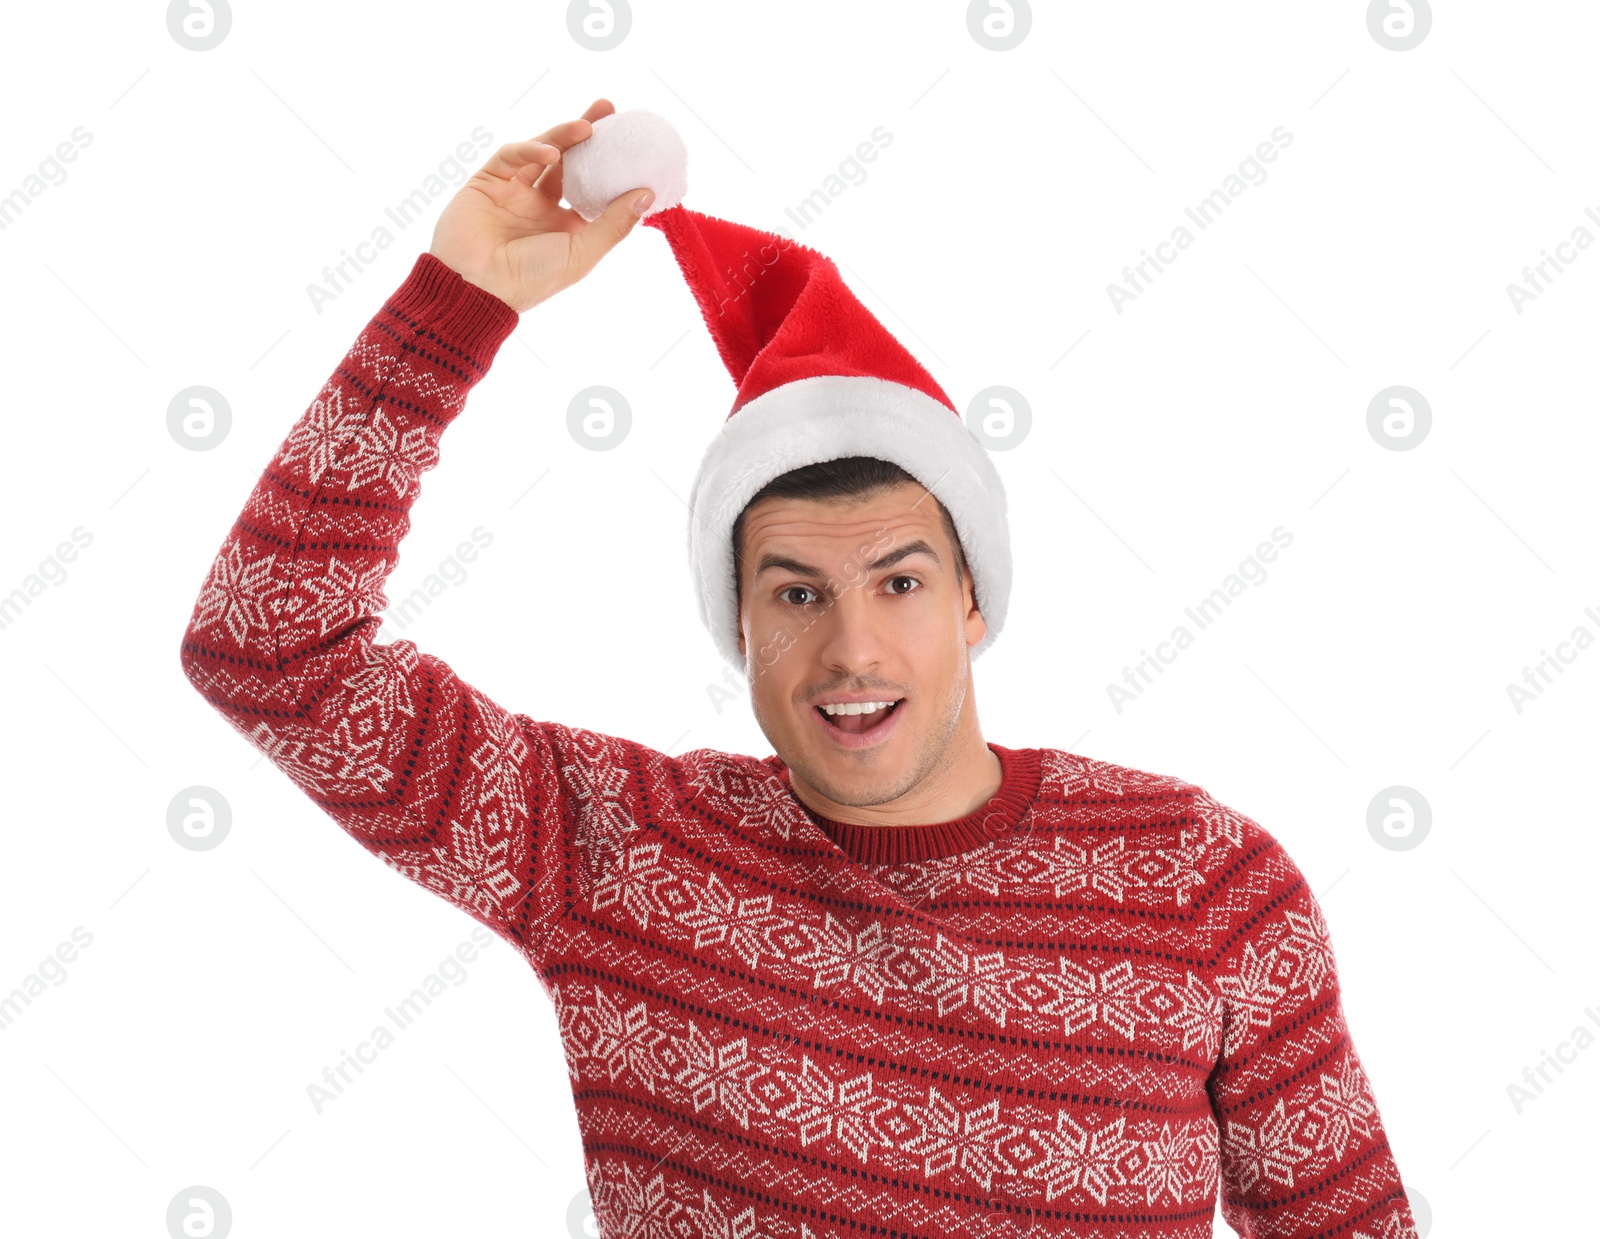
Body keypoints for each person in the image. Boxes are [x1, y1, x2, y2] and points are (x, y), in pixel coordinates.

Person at [179, 97, 1419, 1239]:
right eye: (794, 594)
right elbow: (269, 649)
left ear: (975, 600)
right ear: (734, 622)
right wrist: (454, 304)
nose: (852, 650)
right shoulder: (613, 851)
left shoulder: (1205, 884)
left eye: (899, 581)